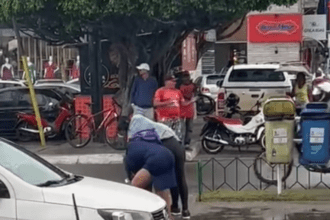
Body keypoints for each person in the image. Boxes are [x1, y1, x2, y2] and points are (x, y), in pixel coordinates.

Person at [126, 114, 190, 219]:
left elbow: (139, 171)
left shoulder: (134, 133)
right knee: (180, 177)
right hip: (176, 144)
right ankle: (185, 210)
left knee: (158, 181)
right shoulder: (146, 122)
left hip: (163, 146)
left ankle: (173, 209)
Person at [125, 128, 176, 220]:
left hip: (154, 160)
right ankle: (168, 215)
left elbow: (133, 175)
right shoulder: (146, 143)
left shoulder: (130, 151)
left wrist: (132, 178)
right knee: (161, 190)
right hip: (168, 155)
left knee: (133, 188)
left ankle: (137, 215)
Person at [179, 71, 196, 147]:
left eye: (187, 77)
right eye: (184, 77)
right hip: (182, 108)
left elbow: (195, 95)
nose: (186, 78)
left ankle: (186, 142)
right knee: (183, 127)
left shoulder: (192, 86)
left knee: (188, 127)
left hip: (189, 108)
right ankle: (184, 141)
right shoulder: (180, 86)